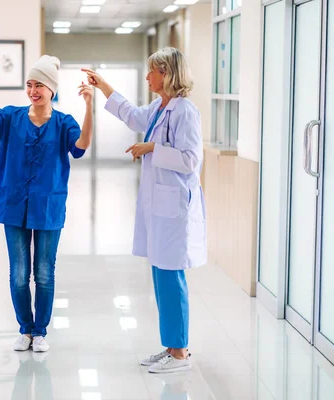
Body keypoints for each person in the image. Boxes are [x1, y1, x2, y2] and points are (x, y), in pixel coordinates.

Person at [83, 47, 206, 373]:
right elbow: (131, 114)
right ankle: (171, 346)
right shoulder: (160, 107)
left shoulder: (185, 112)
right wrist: (102, 85)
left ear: (166, 74)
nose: (148, 76)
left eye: (152, 71)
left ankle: (180, 354)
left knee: (171, 278)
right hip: (160, 208)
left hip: (176, 209)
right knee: (161, 277)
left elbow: (190, 160)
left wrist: (152, 148)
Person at [0, 55, 93, 353]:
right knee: (19, 272)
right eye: (29, 84)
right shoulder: (11, 117)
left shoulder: (64, 123)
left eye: (39, 85)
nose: (33, 90)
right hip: (14, 204)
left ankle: (40, 332)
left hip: (47, 206)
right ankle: (25, 329)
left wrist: (90, 106)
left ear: (52, 89)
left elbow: (81, 146)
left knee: (45, 272)